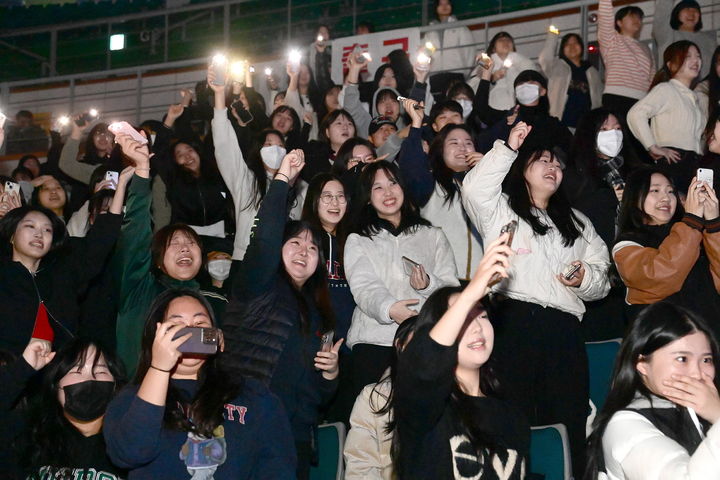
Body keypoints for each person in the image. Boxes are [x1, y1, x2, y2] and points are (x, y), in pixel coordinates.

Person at [462, 122, 611, 477]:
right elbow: (474, 188)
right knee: (511, 417)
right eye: (543, 161)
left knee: (569, 418)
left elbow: (602, 275)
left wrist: (584, 278)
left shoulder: (578, 222)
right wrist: (508, 148)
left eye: (558, 164)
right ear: (523, 168)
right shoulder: (499, 209)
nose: (553, 169)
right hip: (511, 322)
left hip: (563, 330)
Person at [221, 149, 341, 479]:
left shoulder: (320, 313)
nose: (305, 252)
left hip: (296, 436)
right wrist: (283, 180)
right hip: (245, 424)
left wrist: (330, 375)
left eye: (313, 248)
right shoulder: (258, 283)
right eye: (296, 244)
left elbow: (319, 393)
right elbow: (264, 239)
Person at [104, 289, 296, 479]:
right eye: (177, 325)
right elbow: (130, 453)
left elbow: (277, 468)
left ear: (216, 334)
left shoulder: (252, 395)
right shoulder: (131, 398)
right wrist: (159, 369)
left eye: (200, 323)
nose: (191, 332)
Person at [392, 237, 530, 479]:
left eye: (482, 316)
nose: (477, 327)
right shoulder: (425, 407)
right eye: (464, 319)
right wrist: (469, 295)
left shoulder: (512, 415)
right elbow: (422, 367)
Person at [113, 131, 228, 373]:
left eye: (191, 243)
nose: (185, 247)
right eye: (174, 243)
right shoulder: (140, 290)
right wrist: (143, 170)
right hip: (141, 398)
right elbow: (135, 233)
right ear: (156, 260)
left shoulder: (212, 303)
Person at [344, 160, 459, 400]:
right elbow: (363, 286)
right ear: (367, 197)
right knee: (373, 419)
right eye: (378, 187)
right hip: (373, 341)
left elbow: (451, 290)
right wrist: (389, 309)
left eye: (393, 183)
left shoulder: (433, 235)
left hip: (423, 341)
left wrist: (428, 285)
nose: (388, 192)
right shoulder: (359, 239)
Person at [584, 301, 720, 480]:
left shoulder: (702, 411)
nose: (697, 373)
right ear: (642, 365)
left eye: (706, 360)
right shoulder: (624, 425)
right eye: (682, 358)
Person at [0, 184, 123, 355]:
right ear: (12, 235)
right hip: (11, 370)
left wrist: (122, 183)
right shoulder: (4, 276)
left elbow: (100, 240)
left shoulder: (62, 272)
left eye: (47, 230)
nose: (39, 234)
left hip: (59, 368)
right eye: (30, 226)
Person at [211, 66, 307, 260]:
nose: (275, 149)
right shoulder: (245, 179)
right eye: (268, 144)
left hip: (285, 264)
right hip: (247, 259)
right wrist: (220, 95)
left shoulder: (300, 187)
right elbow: (224, 145)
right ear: (258, 150)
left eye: (280, 145)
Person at [613, 168, 720, 336]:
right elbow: (661, 275)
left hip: (709, 339)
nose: (666, 198)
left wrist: (713, 224)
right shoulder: (627, 245)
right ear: (634, 196)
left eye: (671, 191)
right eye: (655, 190)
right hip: (665, 345)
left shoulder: (693, 234)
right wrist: (692, 221)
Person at [397, 105, 484, 282]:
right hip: (443, 284)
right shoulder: (431, 184)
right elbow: (411, 166)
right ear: (440, 150)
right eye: (454, 143)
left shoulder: (486, 187)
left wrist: (489, 171)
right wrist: (416, 124)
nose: (463, 148)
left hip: (484, 288)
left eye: (468, 143)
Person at [20, 338, 125, 479]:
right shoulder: (31, 438)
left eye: (100, 372)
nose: (89, 380)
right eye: (77, 372)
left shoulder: (130, 444)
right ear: (55, 385)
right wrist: (23, 368)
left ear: (115, 385)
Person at [302, 173, 356, 425]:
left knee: (343, 419)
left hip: (350, 344)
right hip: (316, 340)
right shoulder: (303, 241)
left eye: (340, 197)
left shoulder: (356, 241)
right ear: (314, 201)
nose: (335, 203)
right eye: (327, 196)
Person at [343, 316, 418, 480]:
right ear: (400, 346)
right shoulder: (375, 398)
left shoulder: (458, 395)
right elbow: (361, 466)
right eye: (418, 343)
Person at [627, 41, 704, 191]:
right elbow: (636, 113)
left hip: (693, 164)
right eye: (688, 56)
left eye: (698, 56)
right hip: (674, 161)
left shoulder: (693, 97)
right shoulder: (666, 89)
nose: (695, 61)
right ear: (671, 64)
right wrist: (652, 146)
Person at [152, 103, 233, 237]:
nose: (187, 156)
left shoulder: (216, 173)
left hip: (222, 237)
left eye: (190, 150)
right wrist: (170, 119)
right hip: (186, 237)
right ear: (175, 161)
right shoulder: (173, 178)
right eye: (180, 155)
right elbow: (159, 154)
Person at [598, 0, 655, 122]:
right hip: (617, 97)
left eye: (639, 18)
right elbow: (605, 19)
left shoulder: (646, 49)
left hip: (642, 100)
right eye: (631, 16)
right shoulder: (612, 40)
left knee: (637, 140)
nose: (637, 20)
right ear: (619, 22)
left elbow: (652, 78)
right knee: (617, 136)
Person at [538, 27, 604, 128]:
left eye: (575, 43)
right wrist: (553, 35)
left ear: (581, 47)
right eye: (568, 44)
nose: (572, 46)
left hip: (585, 127)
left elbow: (598, 100)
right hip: (560, 123)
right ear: (562, 49)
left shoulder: (592, 71)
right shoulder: (557, 66)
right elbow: (544, 59)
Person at [470, 31, 536, 112]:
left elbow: (533, 76)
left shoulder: (523, 63)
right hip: (492, 112)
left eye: (508, 40)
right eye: (501, 40)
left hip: (518, 112)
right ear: (493, 48)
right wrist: (492, 79)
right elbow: (472, 91)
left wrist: (514, 58)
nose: (505, 42)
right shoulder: (485, 64)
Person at [653, 0, 716, 79]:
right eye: (686, 9)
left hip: (703, 89)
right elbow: (661, 18)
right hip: (673, 87)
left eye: (695, 10)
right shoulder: (668, 35)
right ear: (677, 14)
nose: (691, 13)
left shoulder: (709, 41)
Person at [422, 0, 475, 75]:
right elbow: (428, 53)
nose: (444, 6)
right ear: (436, 7)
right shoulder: (430, 31)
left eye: (447, 3)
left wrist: (464, 72)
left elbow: (469, 52)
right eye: (441, 4)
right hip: (435, 75)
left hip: (456, 73)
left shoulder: (460, 27)